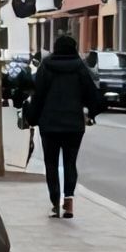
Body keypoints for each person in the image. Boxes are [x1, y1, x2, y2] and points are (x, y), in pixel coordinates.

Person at [24, 35, 106, 219]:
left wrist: (32, 117)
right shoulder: (79, 67)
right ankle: (68, 202)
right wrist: (92, 113)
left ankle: (55, 202)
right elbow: (92, 94)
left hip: (49, 124)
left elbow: (38, 97)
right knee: (70, 163)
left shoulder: (46, 66)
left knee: (51, 164)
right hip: (73, 125)